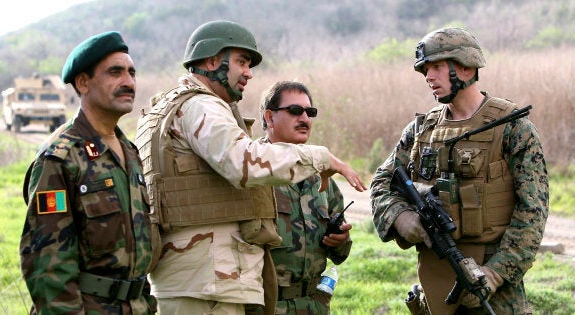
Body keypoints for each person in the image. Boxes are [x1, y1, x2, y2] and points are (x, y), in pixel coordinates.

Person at [135, 20, 365, 315]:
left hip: (202, 279)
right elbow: (243, 162)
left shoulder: (173, 107)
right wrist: (321, 157)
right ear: (211, 60)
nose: (248, 72)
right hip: (207, 283)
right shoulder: (200, 106)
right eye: (241, 62)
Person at [369, 27, 548, 314]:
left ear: (465, 68)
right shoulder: (421, 130)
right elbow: (381, 183)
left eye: (437, 67)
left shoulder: (513, 128)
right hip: (434, 278)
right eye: (425, 69)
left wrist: (495, 273)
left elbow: (533, 212)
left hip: (494, 288)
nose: (428, 76)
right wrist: (401, 218)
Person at [19, 31, 160, 314]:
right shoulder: (60, 157)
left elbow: (137, 250)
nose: (128, 82)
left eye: (131, 72)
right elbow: (48, 265)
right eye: (115, 72)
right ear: (83, 82)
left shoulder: (129, 152)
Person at [254, 81, 353, 314]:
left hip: (313, 305)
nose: (305, 119)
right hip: (265, 305)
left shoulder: (321, 175)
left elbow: (341, 253)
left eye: (310, 112)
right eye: (295, 111)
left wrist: (341, 239)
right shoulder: (252, 172)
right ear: (269, 117)